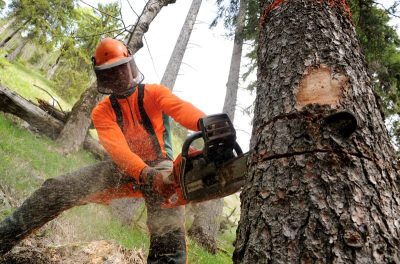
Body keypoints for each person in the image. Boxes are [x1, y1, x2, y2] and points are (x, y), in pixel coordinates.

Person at [0, 38, 205, 264]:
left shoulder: (154, 93)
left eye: (120, 69)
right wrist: (146, 174)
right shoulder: (102, 111)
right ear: (102, 77)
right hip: (122, 169)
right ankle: (4, 236)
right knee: (56, 189)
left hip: (160, 164)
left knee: (168, 209)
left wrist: (207, 124)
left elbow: (181, 109)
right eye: (109, 73)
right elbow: (118, 149)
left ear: (130, 65)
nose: (117, 77)